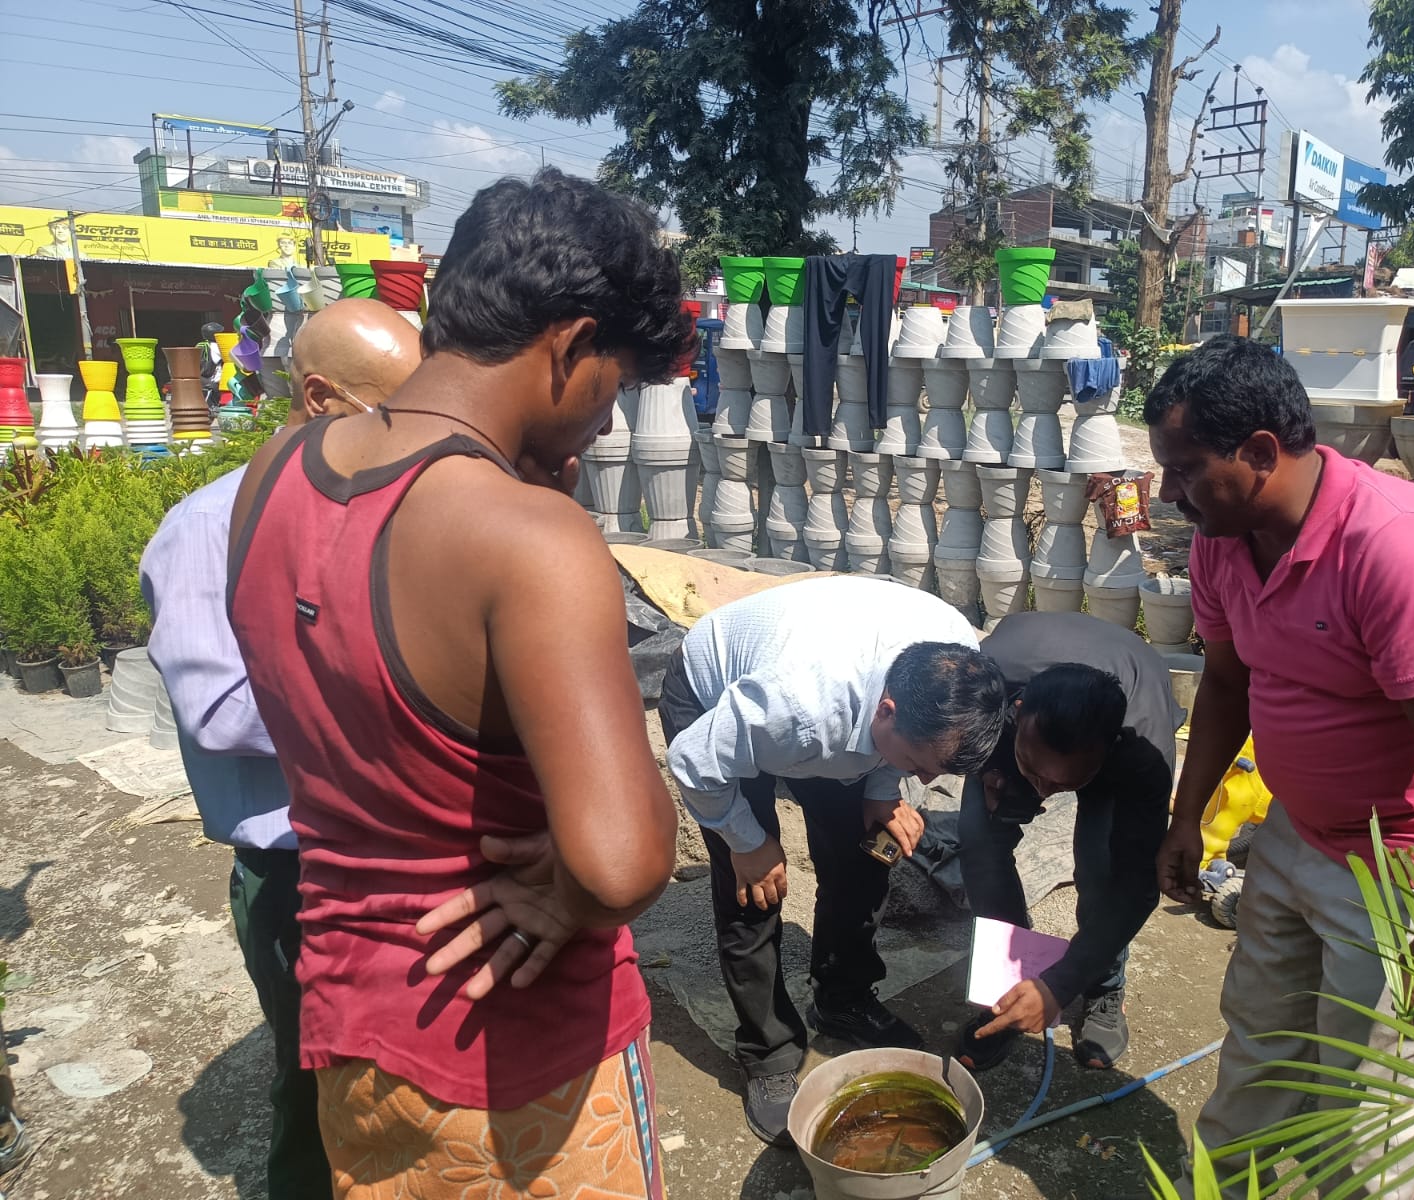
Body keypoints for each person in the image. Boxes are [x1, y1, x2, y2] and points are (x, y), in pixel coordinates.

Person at [226, 170, 688, 1198]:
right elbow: (623, 862)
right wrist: (572, 888)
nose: (608, 426)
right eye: (614, 386)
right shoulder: (527, 539)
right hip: (522, 1054)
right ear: (568, 347)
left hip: (352, 1023)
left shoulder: (274, 473)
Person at [1144, 336, 1414, 1200]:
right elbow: (1227, 680)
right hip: (1300, 830)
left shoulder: (1396, 549)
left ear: (1260, 453)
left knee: (1372, 1104)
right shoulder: (1223, 536)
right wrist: (1188, 816)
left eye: (1185, 469)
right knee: (1257, 1048)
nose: (1170, 493)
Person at [141, 298, 422, 1200]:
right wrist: (402, 707)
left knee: (396, 1079)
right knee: (315, 1084)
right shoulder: (208, 528)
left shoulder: (380, 508)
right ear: (319, 397)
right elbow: (220, 711)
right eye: (393, 415)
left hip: (392, 850)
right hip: (296, 868)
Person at [658, 576, 1007, 1146]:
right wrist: (746, 841)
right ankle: (768, 1052)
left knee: (866, 855)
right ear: (887, 713)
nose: (926, 783)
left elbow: (906, 753)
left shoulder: (958, 666)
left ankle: (842, 998)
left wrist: (884, 785)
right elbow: (695, 762)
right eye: (918, 765)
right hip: (714, 695)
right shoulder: (795, 708)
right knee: (756, 889)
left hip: (844, 706)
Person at [955, 612, 1181, 1073]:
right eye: (1036, 775)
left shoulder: (1143, 753)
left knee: (1103, 868)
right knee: (980, 843)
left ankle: (1104, 987)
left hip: (1133, 688)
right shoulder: (986, 690)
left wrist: (1064, 981)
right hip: (1017, 694)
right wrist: (993, 771)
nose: (1042, 795)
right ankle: (1009, 986)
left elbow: (1136, 887)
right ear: (1016, 718)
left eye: (1061, 786)